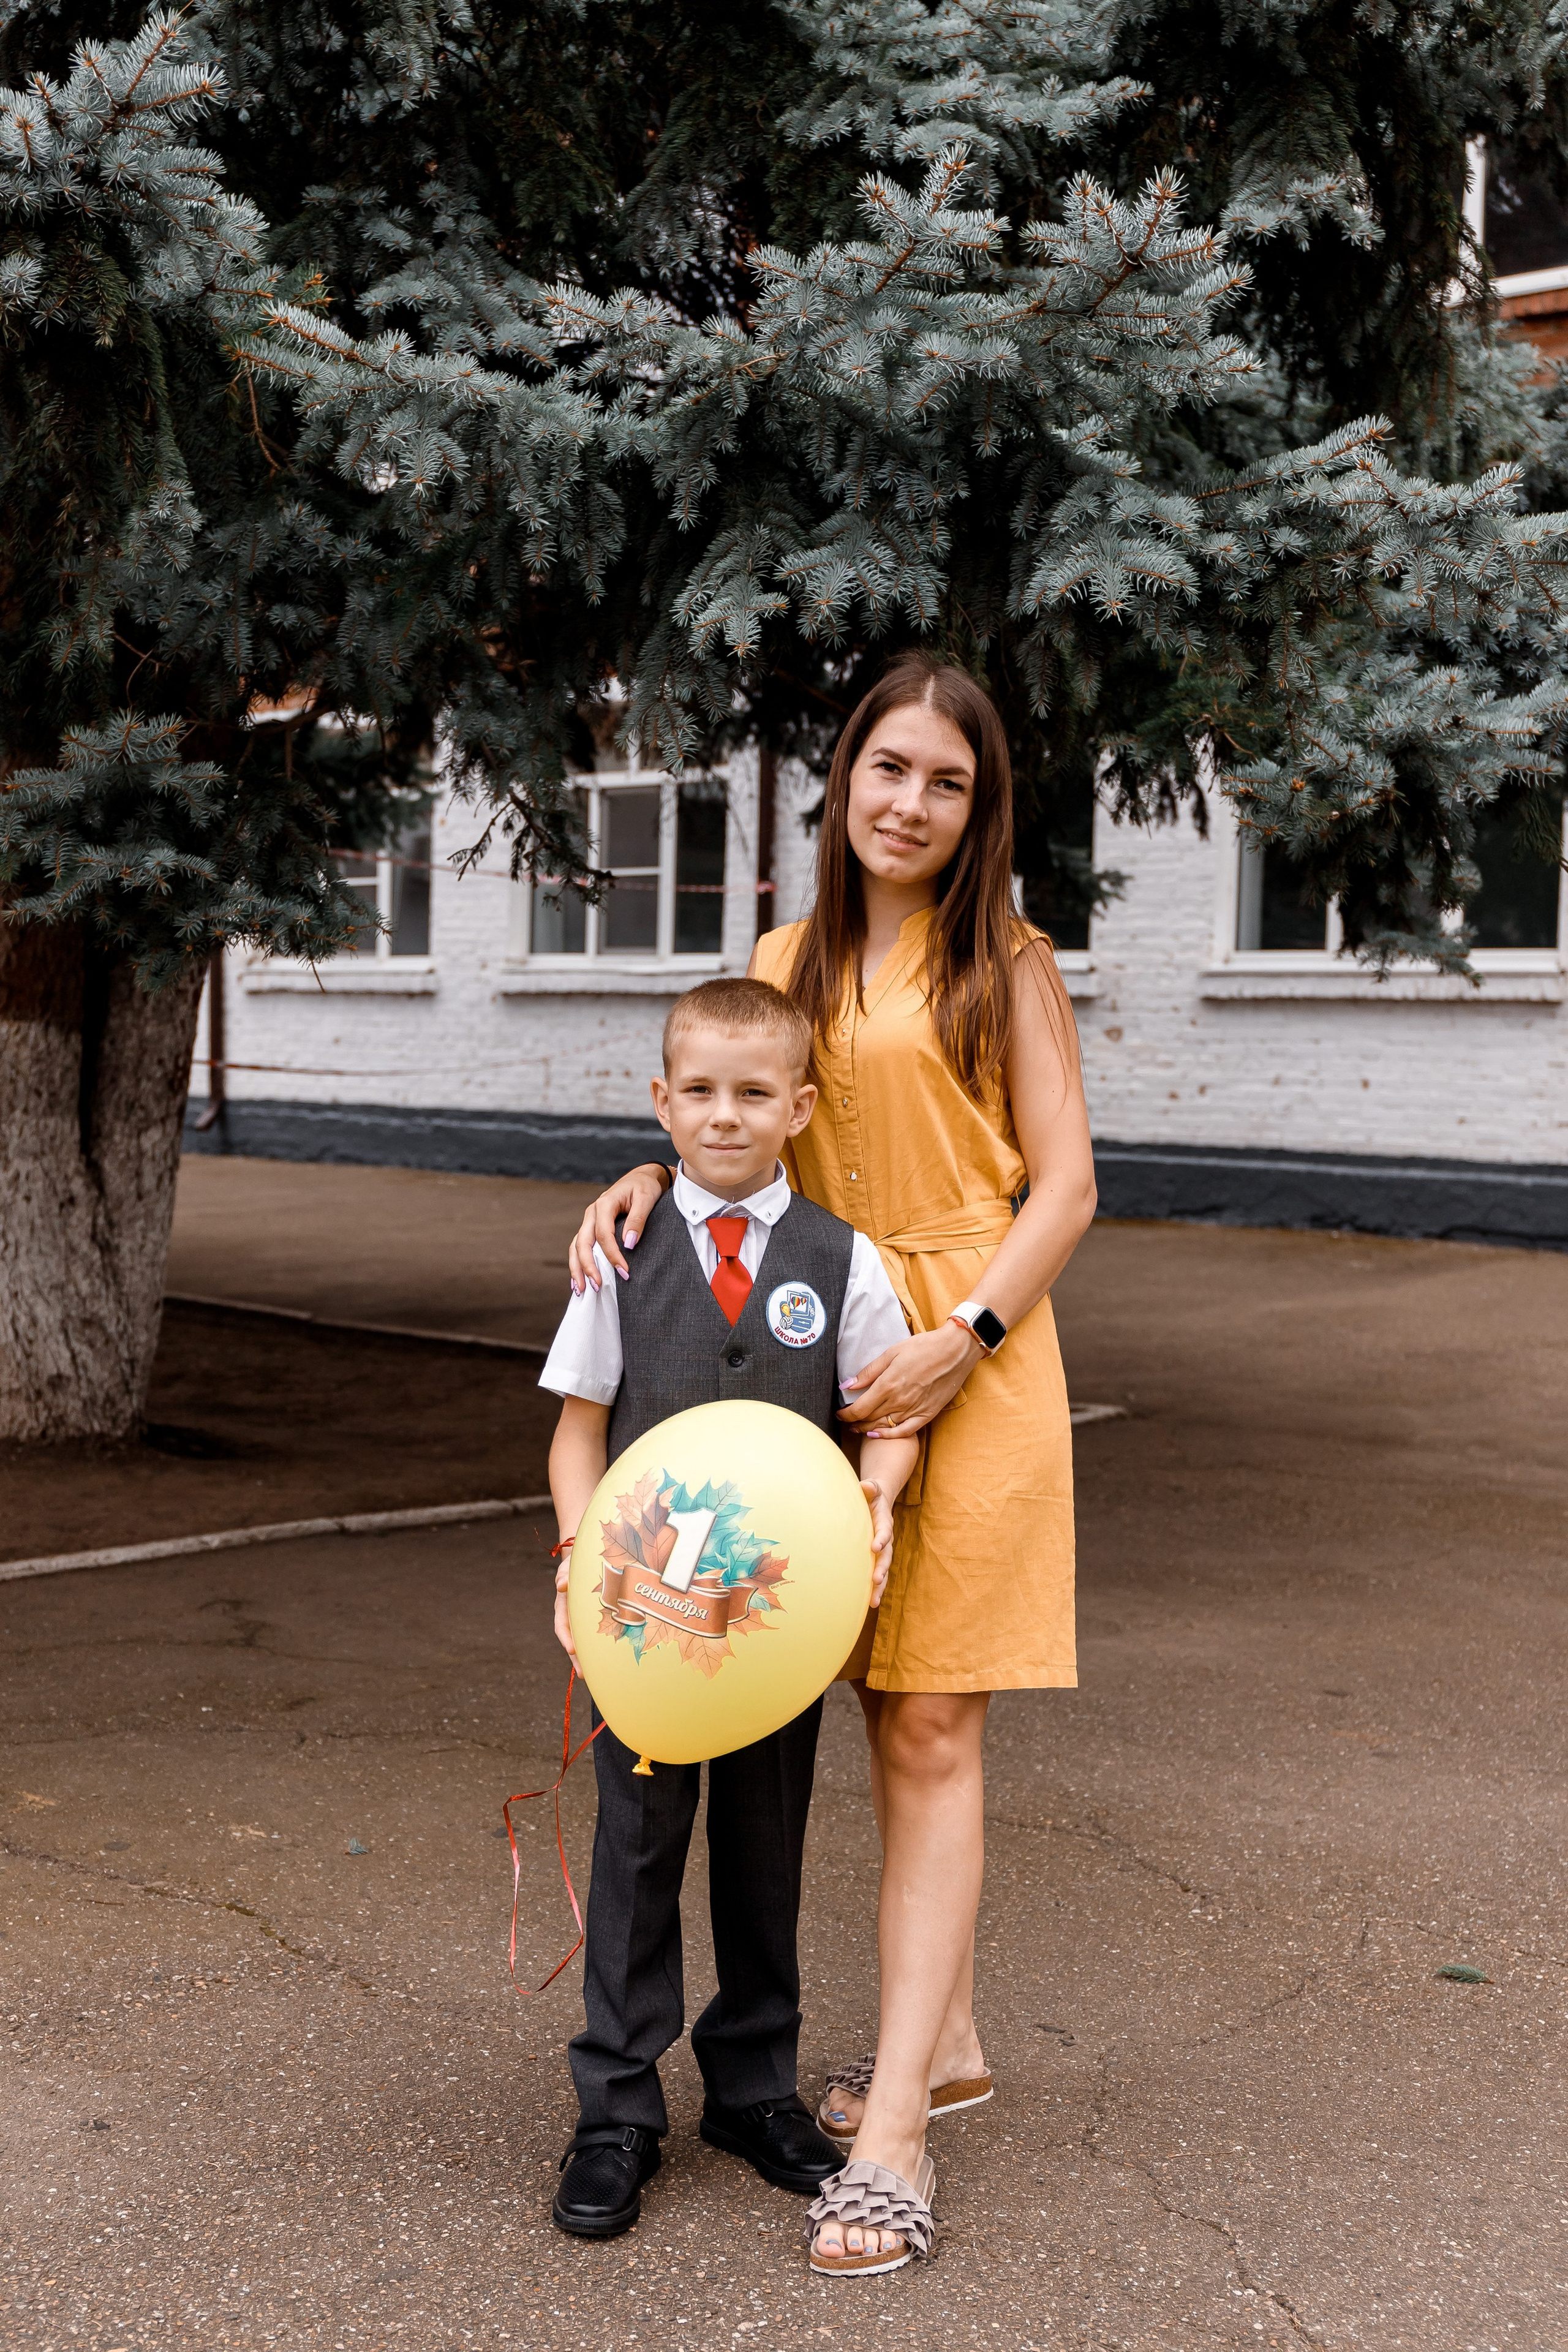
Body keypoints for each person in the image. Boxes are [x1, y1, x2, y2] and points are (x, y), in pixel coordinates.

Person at [567, 655, 1097, 2276]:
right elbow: (738, 1114)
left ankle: (897, 2133)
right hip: (806, 1366)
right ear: (844, 778)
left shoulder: (1003, 962)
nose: (909, 803)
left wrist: (970, 1342)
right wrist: (633, 1188)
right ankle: (941, 2035)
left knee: (931, 1724)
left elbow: (1070, 1189)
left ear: (977, 805)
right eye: (888, 768)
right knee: (822, 1709)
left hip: (971, 1358)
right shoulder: (784, 958)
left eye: (946, 780)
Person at [540, 975, 919, 2240]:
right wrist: (571, 1554)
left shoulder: (838, 1260)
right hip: (643, 1614)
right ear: (661, 1100)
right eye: (697, 1091)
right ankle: (616, 2109)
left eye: (753, 1093)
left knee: (764, 1850)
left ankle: (753, 2090)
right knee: (636, 1850)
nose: (723, 1115)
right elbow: (577, 1429)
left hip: (773, 1623)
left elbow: (889, 1410)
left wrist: (875, 1501)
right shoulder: (619, 1250)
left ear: (798, 1107)